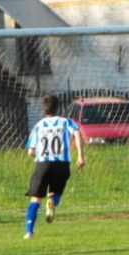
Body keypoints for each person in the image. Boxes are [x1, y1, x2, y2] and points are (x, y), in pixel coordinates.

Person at [23, 94, 85, 239]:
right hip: (62, 164)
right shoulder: (66, 122)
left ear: (43, 109)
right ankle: (52, 202)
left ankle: (29, 232)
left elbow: (30, 151)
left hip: (43, 163)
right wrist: (81, 157)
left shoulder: (38, 125)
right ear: (58, 107)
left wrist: (38, 160)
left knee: (35, 199)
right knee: (55, 193)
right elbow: (77, 133)